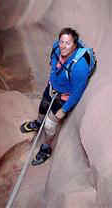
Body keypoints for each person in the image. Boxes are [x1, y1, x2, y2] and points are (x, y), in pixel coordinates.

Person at [20, 27, 92, 165]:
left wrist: (63, 110)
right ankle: (37, 123)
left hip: (63, 98)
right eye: (62, 42)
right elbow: (54, 66)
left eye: (68, 43)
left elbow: (77, 92)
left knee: (50, 125)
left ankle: (46, 148)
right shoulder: (56, 49)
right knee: (43, 107)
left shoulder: (80, 67)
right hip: (52, 88)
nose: (63, 46)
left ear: (75, 45)